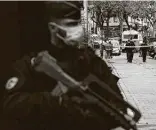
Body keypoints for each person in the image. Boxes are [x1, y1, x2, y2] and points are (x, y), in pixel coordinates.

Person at [1, 2, 134, 130]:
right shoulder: (30, 63)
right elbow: (10, 104)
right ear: (53, 28)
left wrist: (88, 114)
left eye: (78, 23)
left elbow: (117, 105)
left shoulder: (91, 62)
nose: (77, 29)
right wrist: (55, 100)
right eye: (71, 24)